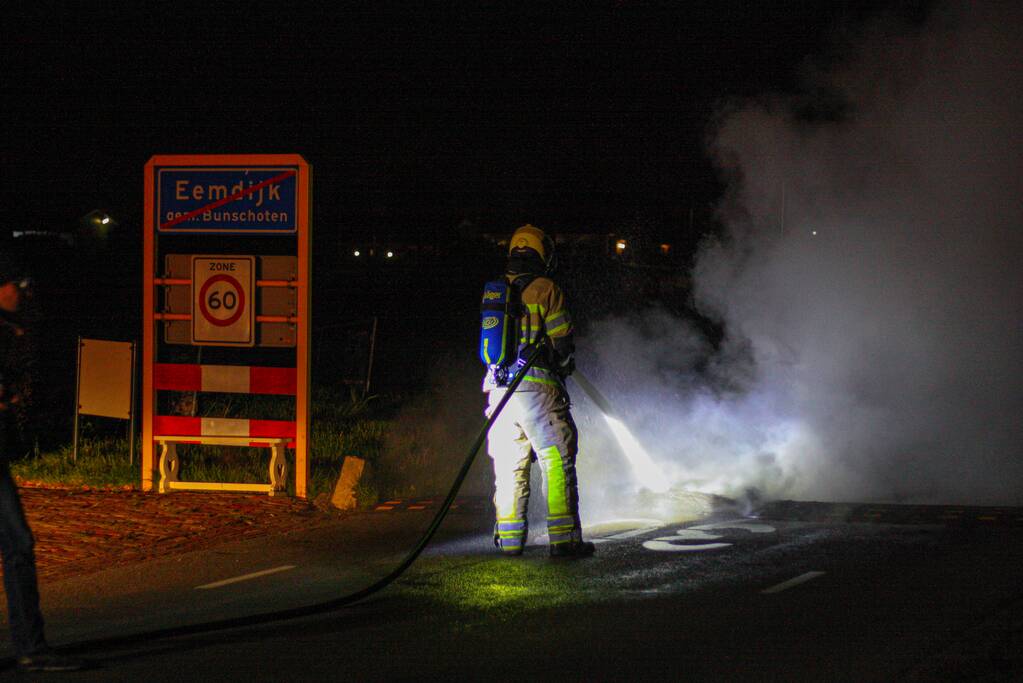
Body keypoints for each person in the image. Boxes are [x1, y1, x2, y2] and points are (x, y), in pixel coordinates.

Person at [483, 225, 594, 558]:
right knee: (556, 460)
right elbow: (562, 342)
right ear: (541, 253)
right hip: (536, 390)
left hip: (499, 392)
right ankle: (564, 540)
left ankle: (510, 540)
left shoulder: (495, 291)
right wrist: (563, 362)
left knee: (509, 466)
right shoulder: (547, 289)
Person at [0, 253, 85, 672]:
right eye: (17, 283)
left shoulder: (13, 329)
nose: (23, 291)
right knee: (17, 543)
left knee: (17, 544)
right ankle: (30, 645)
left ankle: (30, 643)